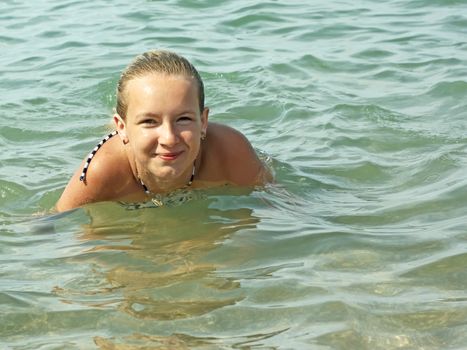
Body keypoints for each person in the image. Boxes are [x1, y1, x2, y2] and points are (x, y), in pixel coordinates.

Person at [56, 50, 271, 212]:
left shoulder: (230, 150)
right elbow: (48, 224)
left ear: (203, 122)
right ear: (122, 128)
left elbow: (276, 206)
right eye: (150, 121)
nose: (169, 138)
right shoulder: (101, 171)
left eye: (183, 119)